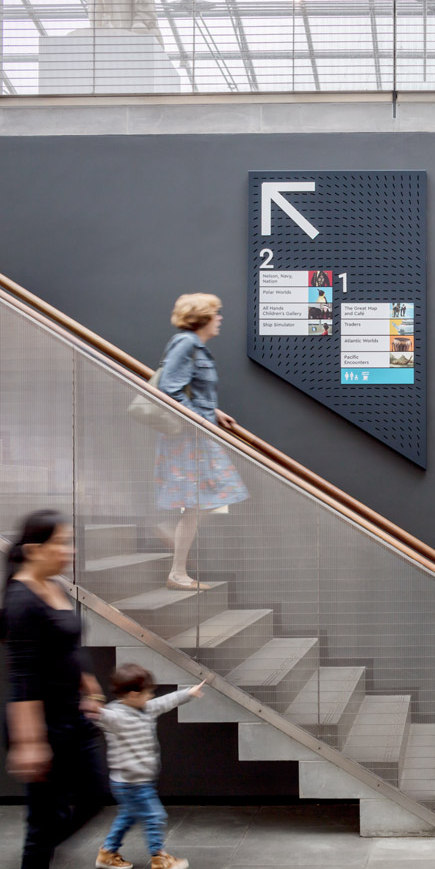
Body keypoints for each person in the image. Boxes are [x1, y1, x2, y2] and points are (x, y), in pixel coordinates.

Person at [3, 510, 107, 869]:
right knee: (42, 825)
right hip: (43, 723)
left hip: (73, 714)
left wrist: (90, 688)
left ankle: (46, 843)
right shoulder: (20, 601)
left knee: (96, 794)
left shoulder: (54, 584)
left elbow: (71, 646)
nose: (70, 550)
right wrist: (29, 742)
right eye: (62, 543)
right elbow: (23, 677)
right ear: (34, 549)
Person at [155, 293, 248, 591]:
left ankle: (176, 565)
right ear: (203, 317)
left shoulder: (195, 347)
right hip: (189, 436)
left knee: (211, 497)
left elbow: (188, 388)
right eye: (216, 313)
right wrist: (202, 418)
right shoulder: (186, 344)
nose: (220, 319)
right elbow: (170, 391)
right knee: (205, 499)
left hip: (198, 433)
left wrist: (214, 412)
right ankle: (176, 571)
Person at [94, 664, 207, 869]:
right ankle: (159, 857)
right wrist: (91, 708)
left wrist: (188, 693)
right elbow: (101, 716)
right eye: (148, 693)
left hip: (137, 780)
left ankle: (107, 853)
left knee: (127, 817)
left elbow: (166, 701)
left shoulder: (146, 708)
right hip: (130, 783)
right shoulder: (115, 715)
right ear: (133, 694)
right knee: (155, 816)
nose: (151, 696)